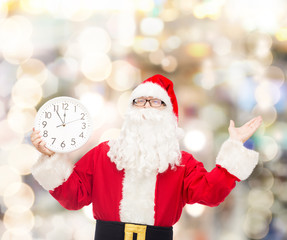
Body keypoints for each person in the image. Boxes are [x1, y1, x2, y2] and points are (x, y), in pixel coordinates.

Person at [31, 74, 262, 240]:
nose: (146, 108)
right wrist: (51, 156)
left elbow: (210, 193)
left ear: (169, 115)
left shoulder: (181, 164)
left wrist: (234, 147)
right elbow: (74, 197)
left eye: (156, 102)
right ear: (130, 111)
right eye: (139, 101)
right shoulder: (104, 155)